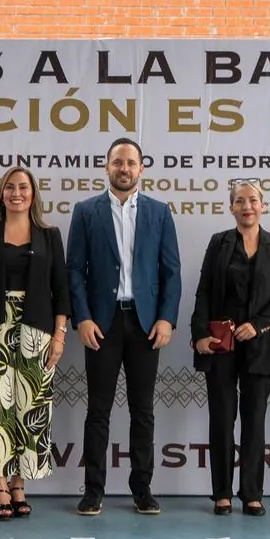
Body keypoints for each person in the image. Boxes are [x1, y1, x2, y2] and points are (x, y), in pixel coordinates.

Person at [67, 137, 182, 516]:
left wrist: (167, 318)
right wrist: (82, 317)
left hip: (146, 323)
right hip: (102, 322)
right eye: (117, 162)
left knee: (142, 410)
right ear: (107, 167)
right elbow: (74, 272)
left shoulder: (159, 212)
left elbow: (172, 272)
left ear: (141, 168)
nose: (124, 168)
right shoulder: (86, 212)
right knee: (98, 409)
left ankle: (142, 489)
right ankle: (94, 490)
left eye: (130, 162)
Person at [0, 166, 72, 519]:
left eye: (23, 187)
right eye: (10, 187)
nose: (16, 193)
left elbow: (62, 289)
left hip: (37, 329)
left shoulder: (49, 234)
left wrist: (59, 336)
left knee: (29, 408)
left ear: (33, 193)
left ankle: (19, 483)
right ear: (1, 192)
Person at [190, 179, 270, 516]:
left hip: (261, 344)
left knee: (255, 420)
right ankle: (221, 493)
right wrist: (199, 335)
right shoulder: (218, 243)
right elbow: (203, 290)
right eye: (240, 201)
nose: (247, 206)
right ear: (231, 207)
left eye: (253, 200)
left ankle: (252, 493)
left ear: (263, 205)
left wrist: (260, 323)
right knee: (222, 418)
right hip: (221, 343)